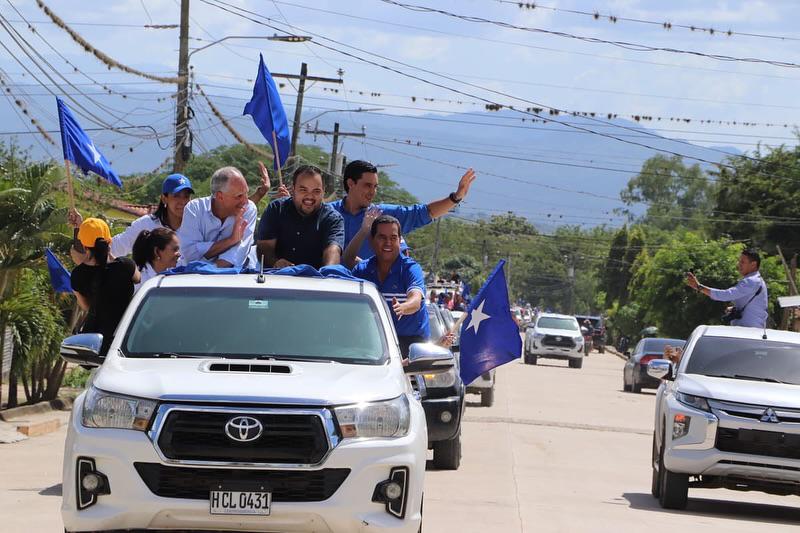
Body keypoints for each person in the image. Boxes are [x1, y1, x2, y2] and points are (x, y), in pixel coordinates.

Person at [329, 160, 477, 261]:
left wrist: (456, 197)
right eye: (368, 185)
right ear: (350, 183)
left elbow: (425, 213)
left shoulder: (382, 215)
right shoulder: (327, 213)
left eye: (375, 186)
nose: (373, 192)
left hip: (368, 295)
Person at [344, 213, 430, 356]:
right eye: (382, 237)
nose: (388, 242)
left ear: (399, 240)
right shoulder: (362, 270)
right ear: (372, 241)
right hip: (373, 345)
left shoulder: (410, 268)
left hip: (411, 346)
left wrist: (403, 307)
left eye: (393, 238)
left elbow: (415, 300)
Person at [68, 173, 193, 265]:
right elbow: (112, 248)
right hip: (152, 296)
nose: (182, 202)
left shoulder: (197, 225)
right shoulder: (146, 224)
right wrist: (82, 228)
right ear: (164, 198)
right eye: (176, 196)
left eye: (186, 196)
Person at [70, 218, 140, 356]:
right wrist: (111, 256)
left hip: (100, 348)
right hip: (129, 339)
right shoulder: (125, 265)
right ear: (109, 242)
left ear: (84, 246)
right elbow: (138, 278)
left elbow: (87, 306)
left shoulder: (78, 275)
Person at [256, 165, 344, 269]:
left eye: (316, 191)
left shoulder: (333, 219)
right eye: (303, 190)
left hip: (316, 281)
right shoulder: (276, 209)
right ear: (293, 190)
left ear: (323, 192)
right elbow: (264, 248)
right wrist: (275, 262)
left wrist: (327, 274)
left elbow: (333, 252)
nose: (310, 196)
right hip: (275, 278)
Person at [177, 166, 258, 268]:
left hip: (229, 279)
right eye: (239, 196)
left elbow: (239, 252)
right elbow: (190, 254)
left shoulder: (248, 209)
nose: (245, 201)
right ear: (220, 196)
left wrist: (213, 271)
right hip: (191, 279)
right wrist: (231, 240)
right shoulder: (195, 209)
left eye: (247, 193)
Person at [686, 249, 768, 328]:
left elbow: (726, 295)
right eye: (739, 261)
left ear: (753, 264)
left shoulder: (751, 281)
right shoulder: (756, 280)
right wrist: (734, 309)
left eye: (742, 262)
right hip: (748, 331)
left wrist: (699, 287)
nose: (739, 264)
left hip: (748, 333)